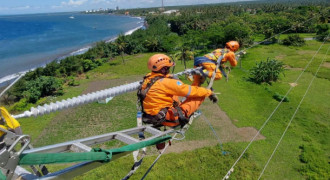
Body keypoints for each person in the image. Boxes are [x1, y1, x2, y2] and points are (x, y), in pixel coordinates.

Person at [137, 54, 218, 128]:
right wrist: (209, 92)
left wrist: (170, 76)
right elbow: (189, 91)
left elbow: (163, 79)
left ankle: (197, 81)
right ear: (163, 69)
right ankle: (198, 83)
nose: (169, 70)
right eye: (168, 68)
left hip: (152, 116)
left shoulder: (148, 79)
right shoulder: (167, 82)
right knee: (198, 95)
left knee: (173, 94)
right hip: (168, 119)